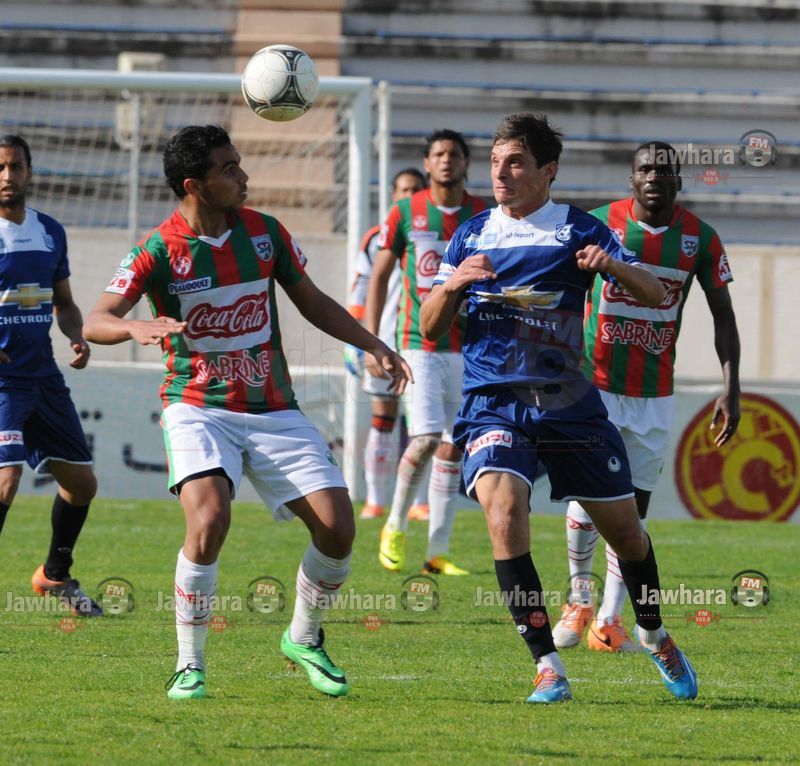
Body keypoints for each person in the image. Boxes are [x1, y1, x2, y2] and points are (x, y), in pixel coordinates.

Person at [83, 125, 411, 700]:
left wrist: (372, 343)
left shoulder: (265, 232)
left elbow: (312, 301)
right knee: (210, 520)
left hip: (272, 406)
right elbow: (96, 320)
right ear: (195, 185)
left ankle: (303, 637)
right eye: (229, 169)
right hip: (197, 405)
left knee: (338, 529)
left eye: (239, 164)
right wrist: (135, 327)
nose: (243, 176)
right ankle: (189, 664)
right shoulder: (158, 250)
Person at [420, 112, 698, 703]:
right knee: (504, 515)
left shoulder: (578, 229)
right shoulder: (471, 234)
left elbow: (656, 293)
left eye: (516, 162)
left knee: (627, 535)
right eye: (495, 162)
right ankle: (548, 665)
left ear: (548, 170)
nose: (501, 173)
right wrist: (453, 285)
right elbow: (429, 326)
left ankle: (653, 632)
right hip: (494, 402)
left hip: (569, 405)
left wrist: (613, 266)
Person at [552, 141, 740, 652]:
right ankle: (579, 598)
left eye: (664, 169)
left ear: (678, 179)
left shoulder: (701, 239)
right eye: (645, 169)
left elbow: (723, 315)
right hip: (595, 384)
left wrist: (731, 387)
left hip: (655, 393)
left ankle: (609, 620)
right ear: (631, 179)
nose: (654, 176)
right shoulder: (597, 224)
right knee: (587, 497)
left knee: (633, 511)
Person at [366, 129, 487, 576]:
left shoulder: (483, 215)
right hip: (419, 343)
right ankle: (395, 523)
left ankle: (437, 551)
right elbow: (380, 276)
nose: (446, 160)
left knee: (454, 447)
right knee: (425, 439)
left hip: (469, 347)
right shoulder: (405, 212)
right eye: (439, 154)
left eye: (454, 153)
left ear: (466, 163)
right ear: (427, 162)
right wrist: (373, 340)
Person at [0, 134, 101, 617]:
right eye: (0, 167)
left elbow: (64, 303)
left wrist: (76, 334)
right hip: (3, 382)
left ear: (29, 171)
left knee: (82, 485)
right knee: (6, 479)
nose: (7, 176)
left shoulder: (49, 231)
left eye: (15, 166)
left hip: (43, 377)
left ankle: (54, 575)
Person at [345, 167, 431, 521]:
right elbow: (359, 291)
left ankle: (420, 502)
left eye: (415, 189)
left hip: (421, 342)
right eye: (403, 190)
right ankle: (375, 500)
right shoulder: (375, 237)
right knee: (383, 418)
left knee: (422, 426)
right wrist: (362, 343)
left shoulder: (431, 233)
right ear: (393, 195)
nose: (409, 195)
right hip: (382, 341)